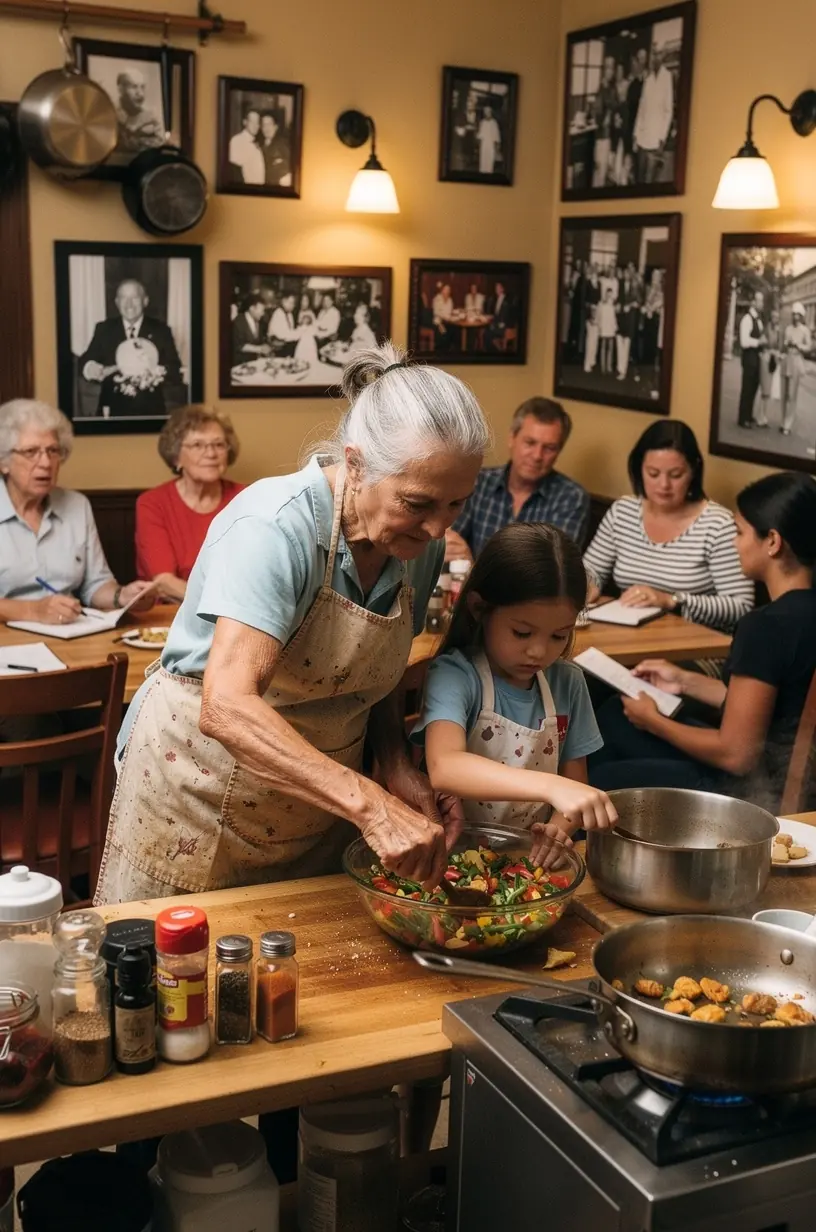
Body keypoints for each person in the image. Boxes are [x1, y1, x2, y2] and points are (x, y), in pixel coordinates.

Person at [94, 341, 490, 906]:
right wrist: (372, 805)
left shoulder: (412, 546)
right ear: (355, 463)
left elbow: (371, 675)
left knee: (299, 973)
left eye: (457, 504)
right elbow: (227, 704)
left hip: (319, 803)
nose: (436, 529)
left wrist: (396, 765)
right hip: (199, 794)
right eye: (418, 503)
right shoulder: (274, 527)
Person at [588, 472, 816, 811]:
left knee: (597, 778)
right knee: (613, 713)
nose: (734, 543)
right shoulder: (799, 614)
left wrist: (655, 722)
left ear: (772, 541)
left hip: (752, 794)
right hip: (786, 775)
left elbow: (737, 754)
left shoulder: (766, 627)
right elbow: (777, 706)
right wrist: (685, 680)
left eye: (739, 533)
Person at [412, 523, 617, 865]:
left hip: (525, 863)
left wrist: (558, 828)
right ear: (479, 609)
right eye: (522, 632)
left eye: (559, 636)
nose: (539, 652)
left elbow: (574, 783)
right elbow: (445, 766)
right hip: (448, 861)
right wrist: (550, 787)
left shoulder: (568, 682)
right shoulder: (456, 674)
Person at [584, 420, 754, 632]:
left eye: (675, 475)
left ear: (693, 472)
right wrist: (585, 586)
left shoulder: (717, 525)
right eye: (653, 474)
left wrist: (672, 600)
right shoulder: (623, 511)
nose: (664, 485)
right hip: (627, 632)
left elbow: (741, 606)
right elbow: (590, 571)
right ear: (639, 470)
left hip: (697, 643)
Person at [0, 399, 154, 625]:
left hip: (70, 635)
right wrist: (33, 611)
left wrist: (122, 596)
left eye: (53, 450)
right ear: (4, 461)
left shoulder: (77, 505)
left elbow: (96, 584)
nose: (46, 462)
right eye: (31, 451)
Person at [446, 397, 590, 563]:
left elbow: (552, 570)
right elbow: (450, 538)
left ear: (559, 451)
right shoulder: (479, 482)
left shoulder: (570, 498)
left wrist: (472, 567)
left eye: (549, 448)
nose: (537, 456)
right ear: (512, 439)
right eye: (530, 443)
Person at [135, 406, 244, 603]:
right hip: (171, 616)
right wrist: (223, 603)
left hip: (235, 617)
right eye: (197, 445)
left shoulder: (245, 497)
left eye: (219, 444)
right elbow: (164, 581)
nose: (211, 453)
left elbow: (253, 572)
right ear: (176, 456)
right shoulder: (153, 503)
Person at [80, 279, 184, 419]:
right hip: (111, 411)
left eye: (134, 298)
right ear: (117, 302)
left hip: (150, 411)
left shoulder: (161, 330)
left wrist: (155, 372)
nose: (128, 304)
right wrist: (91, 368)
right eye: (123, 298)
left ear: (145, 301)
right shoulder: (104, 329)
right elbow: (84, 361)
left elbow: (175, 370)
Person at [633, 45, 673, 183]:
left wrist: (662, 137)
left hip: (656, 140)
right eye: (654, 54)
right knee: (639, 176)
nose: (656, 57)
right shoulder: (648, 80)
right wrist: (636, 134)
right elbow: (641, 108)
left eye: (659, 54)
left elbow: (668, 111)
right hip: (642, 137)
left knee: (649, 179)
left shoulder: (667, 77)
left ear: (663, 56)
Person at [114, 68, 164, 155]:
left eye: (142, 87)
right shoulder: (109, 114)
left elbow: (160, 144)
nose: (140, 93)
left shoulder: (151, 117)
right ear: (121, 89)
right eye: (134, 87)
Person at [781, 302, 812, 436]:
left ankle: (788, 424)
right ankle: (783, 422)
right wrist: (787, 344)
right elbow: (784, 343)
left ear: (801, 316)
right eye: (794, 315)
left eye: (798, 315)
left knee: (792, 395)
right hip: (787, 360)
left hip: (797, 360)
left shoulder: (805, 330)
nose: (795, 317)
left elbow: (809, 347)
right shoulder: (788, 329)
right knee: (784, 393)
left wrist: (799, 345)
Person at [737, 290, 767, 429]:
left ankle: (748, 414)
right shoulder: (747, 319)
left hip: (756, 358)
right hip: (749, 357)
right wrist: (758, 342)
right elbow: (744, 341)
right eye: (759, 300)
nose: (761, 303)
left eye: (762, 301)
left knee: (753, 387)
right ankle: (742, 418)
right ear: (753, 302)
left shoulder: (758, 320)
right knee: (747, 387)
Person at [757, 306, 782, 429]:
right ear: (770, 318)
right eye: (773, 317)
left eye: (777, 317)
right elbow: (762, 342)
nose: (775, 319)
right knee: (765, 390)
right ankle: (761, 417)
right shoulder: (766, 329)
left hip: (773, 362)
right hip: (766, 359)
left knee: (767, 391)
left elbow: (778, 347)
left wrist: (777, 353)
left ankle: (762, 415)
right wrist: (769, 349)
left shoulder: (777, 331)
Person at [232, 294, 271, 366]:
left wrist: (265, 346)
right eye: (261, 310)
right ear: (252, 308)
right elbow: (238, 346)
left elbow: (258, 341)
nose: (263, 313)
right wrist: (260, 349)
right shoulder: (238, 321)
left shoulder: (260, 321)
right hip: (240, 364)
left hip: (253, 363)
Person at [228, 108, 264, 185]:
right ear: (245, 122)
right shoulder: (237, 141)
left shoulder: (256, 143)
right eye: (252, 122)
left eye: (257, 122)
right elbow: (235, 173)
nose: (255, 125)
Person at [258, 110, 290, 187]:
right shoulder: (259, 145)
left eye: (269, 124)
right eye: (264, 125)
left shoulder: (282, 144)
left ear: (275, 127)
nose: (266, 128)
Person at [267, 292, 301, 357]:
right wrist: (299, 334)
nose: (292, 305)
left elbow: (291, 331)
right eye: (290, 303)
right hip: (277, 346)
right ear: (283, 302)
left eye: (293, 303)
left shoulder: (289, 314)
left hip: (285, 344)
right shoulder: (278, 314)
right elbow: (283, 335)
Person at [476, 104, 501, 174]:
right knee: (483, 158)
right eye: (486, 112)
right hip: (484, 143)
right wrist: (479, 143)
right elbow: (480, 134)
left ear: (491, 113)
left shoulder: (494, 123)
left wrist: (497, 144)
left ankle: (489, 172)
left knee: (490, 158)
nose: (487, 114)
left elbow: (496, 134)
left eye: (488, 112)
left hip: (491, 143)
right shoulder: (482, 122)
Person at [598, 286, 617, 374]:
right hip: (604, 327)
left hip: (611, 328)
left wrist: (615, 326)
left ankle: (609, 366)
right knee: (603, 347)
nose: (609, 296)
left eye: (611, 295)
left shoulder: (613, 305)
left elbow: (613, 317)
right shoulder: (601, 304)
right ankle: (603, 367)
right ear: (605, 295)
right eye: (608, 294)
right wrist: (600, 327)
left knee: (610, 348)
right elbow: (599, 316)